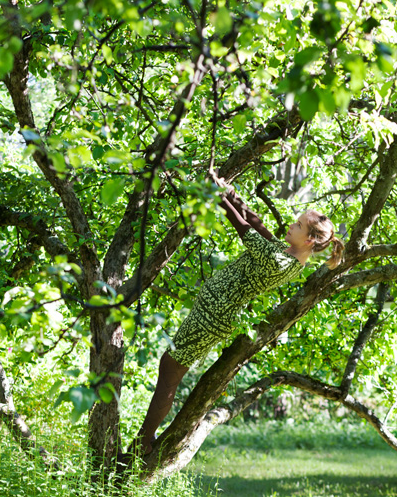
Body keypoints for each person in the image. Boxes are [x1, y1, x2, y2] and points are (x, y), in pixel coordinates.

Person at [119, 177, 344, 464]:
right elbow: (257, 224)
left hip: (213, 318)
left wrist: (222, 198)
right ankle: (144, 440)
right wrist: (233, 196)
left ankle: (144, 442)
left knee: (170, 370)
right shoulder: (286, 253)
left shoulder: (281, 262)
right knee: (170, 366)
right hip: (210, 312)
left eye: (298, 225)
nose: (291, 224)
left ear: (310, 239)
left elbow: (245, 230)